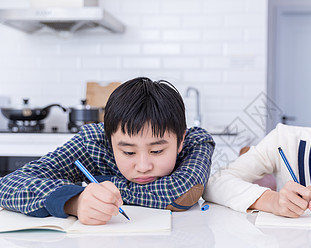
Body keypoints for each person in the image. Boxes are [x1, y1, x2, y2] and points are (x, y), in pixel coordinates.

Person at [0, 77, 215, 225]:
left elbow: (182, 194)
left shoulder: (196, 141)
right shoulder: (93, 141)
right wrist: (75, 201)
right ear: (109, 140)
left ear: (180, 141)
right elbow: (8, 185)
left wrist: (98, 183)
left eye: (157, 151)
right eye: (129, 153)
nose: (143, 166)